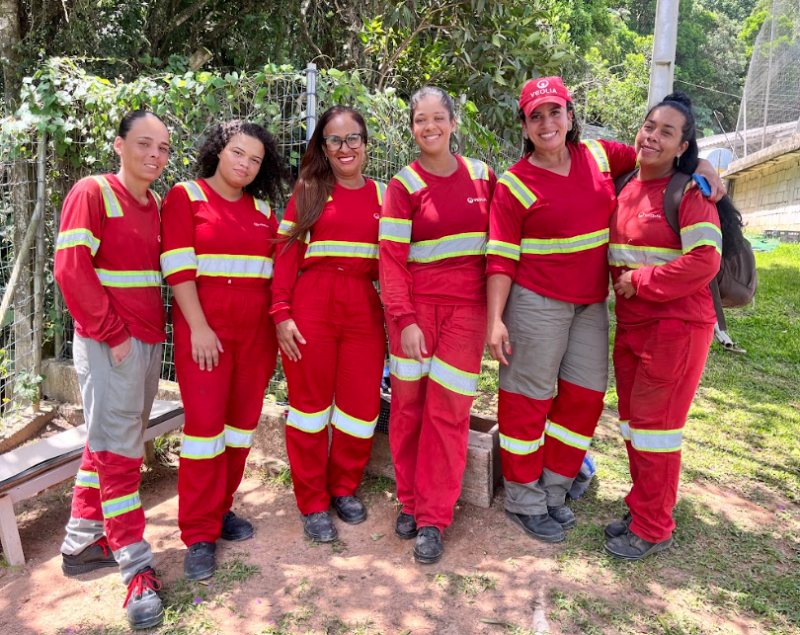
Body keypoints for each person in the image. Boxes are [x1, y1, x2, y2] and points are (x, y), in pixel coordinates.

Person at [486, 77, 725, 544]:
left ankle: (554, 490)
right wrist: (495, 318)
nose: (547, 122)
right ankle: (524, 498)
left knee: (585, 397)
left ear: (570, 116)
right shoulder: (514, 184)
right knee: (528, 399)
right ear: (525, 125)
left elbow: (658, 156)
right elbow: (500, 257)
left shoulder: (598, 156)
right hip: (536, 302)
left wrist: (708, 167)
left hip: (591, 304)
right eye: (536, 116)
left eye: (555, 111)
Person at [605, 92, 738, 560]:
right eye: (648, 126)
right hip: (632, 327)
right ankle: (642, 506)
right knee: (633, 425)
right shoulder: (622, 185)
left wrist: (640, 280)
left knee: (655, 428)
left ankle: (654, 526)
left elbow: (705, 261)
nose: (652, 137)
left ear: (684, 146)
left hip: (677, 328)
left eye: (666, 132)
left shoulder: (690, 192)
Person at [55, 110, 170, 630]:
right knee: (120, 454)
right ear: (119, 145)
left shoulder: (155, 204)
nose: (154, 155)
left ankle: (82, 543)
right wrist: (113, 335)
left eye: (163, 149)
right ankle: (136, 571)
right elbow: (71, 269)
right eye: (144, 144)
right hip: (113, 344)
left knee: (107, 442)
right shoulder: (92, 192)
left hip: (145, 344)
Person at [160, 121, 290, 580]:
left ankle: (220, 510)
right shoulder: (186, 196)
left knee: (239, 427)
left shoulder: (264, 208)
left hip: (255, 328)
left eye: (255, 160)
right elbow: (178, 268)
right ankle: (198, 532)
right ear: (218, 150)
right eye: (238, 153)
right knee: (204, 431)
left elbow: (279, 270)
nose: (245, 164)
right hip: (206, 325)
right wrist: (197, 327)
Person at [380, 86, 496, 564]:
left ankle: (432, 519)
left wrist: (696, 165)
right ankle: (409, 501)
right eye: (419, 120)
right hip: (415, 313)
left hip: (467, 314)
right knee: (408, 408)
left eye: (437, 118)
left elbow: (506, 240)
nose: (429, 127)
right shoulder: (402, 185)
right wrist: (404, 318)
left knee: (448, 413)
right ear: (412, 128)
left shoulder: (483, 176)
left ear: (452, 122)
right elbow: (391, 258)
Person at [270, 106, 386, 543]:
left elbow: (390, 263)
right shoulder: (310, 189)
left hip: (362, 304)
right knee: (310, 409)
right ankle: (313, 500)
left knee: (360, 408)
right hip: (313, 301)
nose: (345, 148)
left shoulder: (383, 195)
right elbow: (284, 255)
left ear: (365, 143)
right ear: (323, 146)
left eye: (353, 138)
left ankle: (343, 488)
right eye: (334, 140)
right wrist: (281, 313)